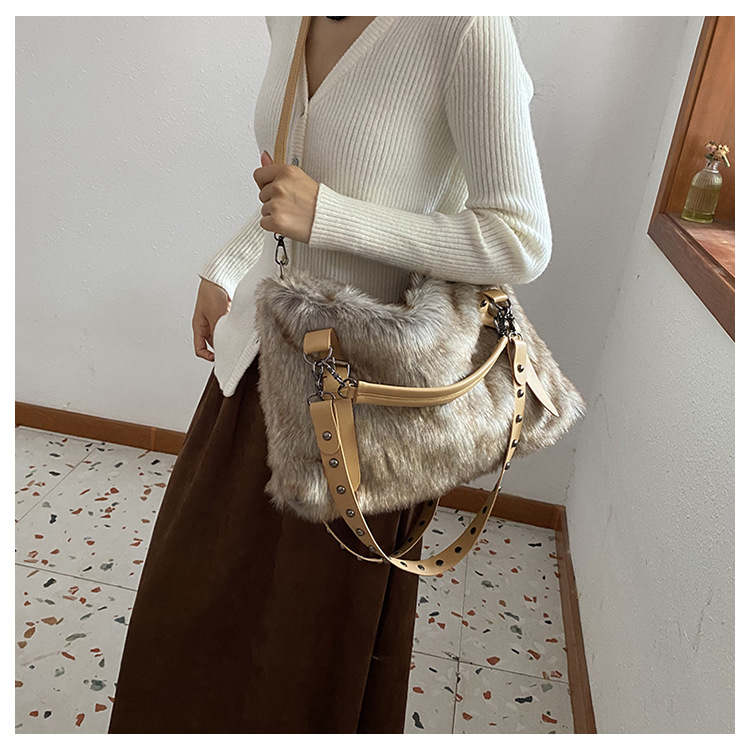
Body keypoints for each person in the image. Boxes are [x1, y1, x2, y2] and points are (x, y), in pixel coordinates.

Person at [108, 15, 552, 734]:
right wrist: (225, 266)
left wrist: (332, 219)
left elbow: (521, 240)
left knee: (310, 644)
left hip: (368, 401)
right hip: (260, 367)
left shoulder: (465, 26)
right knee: (189, 605)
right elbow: (295, 183)